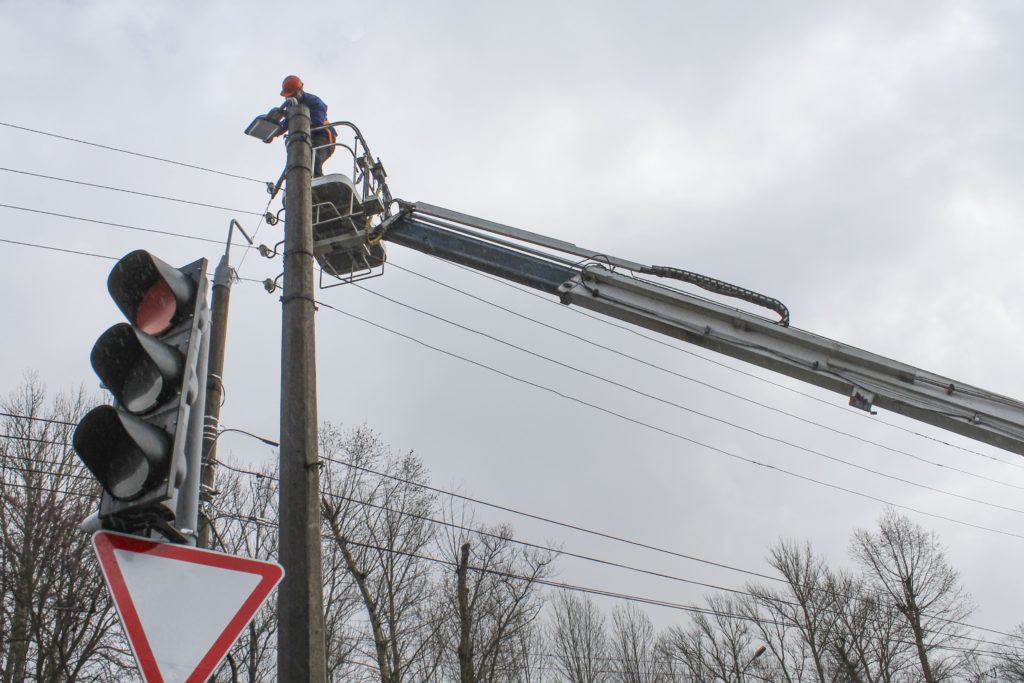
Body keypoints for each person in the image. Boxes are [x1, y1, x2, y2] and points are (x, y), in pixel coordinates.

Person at [276, 75, 336, 177]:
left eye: (292, 95)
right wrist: (273, 133)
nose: (290, 98)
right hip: (307, 137)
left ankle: (317, 188)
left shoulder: (314, 102)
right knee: (297, 159)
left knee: (312, 158)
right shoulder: (291, 106)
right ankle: (303, 186)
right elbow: (287, 123)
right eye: (288, 96)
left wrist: (300, 126)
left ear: (300, 90)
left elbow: (318, 121)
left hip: (323, 137)